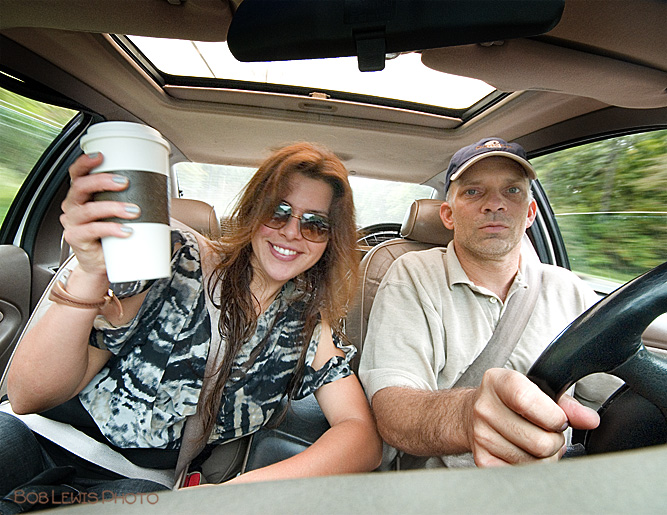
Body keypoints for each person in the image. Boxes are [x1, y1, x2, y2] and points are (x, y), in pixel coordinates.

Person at [1, 142, 382, 508]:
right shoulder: (172, 258)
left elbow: (360, 436)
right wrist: (91, 271)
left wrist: (237, 493)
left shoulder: (307, 329)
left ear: (330, 240)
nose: (291, 232)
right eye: (277, 212)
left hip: (134, 482)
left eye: (315, 224)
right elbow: (29, 397)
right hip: (34, 435)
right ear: (252, 211)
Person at [358, 137, 601, 469]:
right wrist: (467, 415)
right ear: (448, 214)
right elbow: (392, 408)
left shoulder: (568, 288)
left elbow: (615, 389)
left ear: (530, 213)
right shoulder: (411, 274)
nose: (495, 204)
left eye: (512, 191)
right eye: (473, 192)